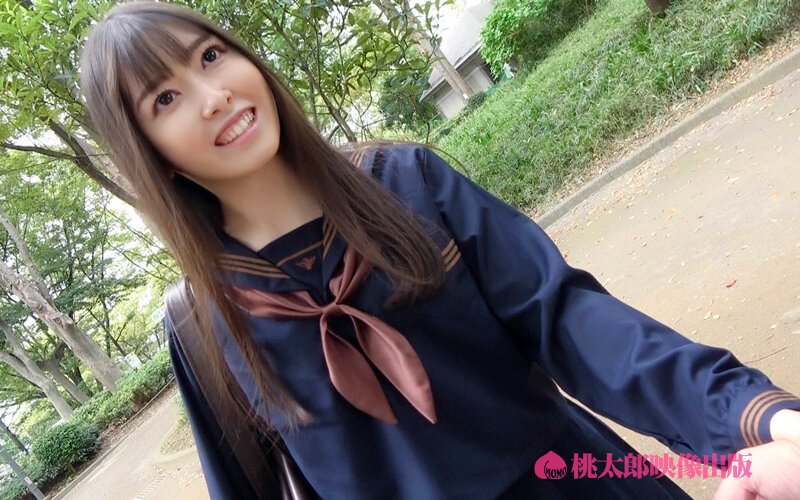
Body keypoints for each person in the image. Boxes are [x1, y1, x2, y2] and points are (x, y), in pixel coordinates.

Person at [78, 2, 800, 499]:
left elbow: (574, 324)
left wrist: (754, 418)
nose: (212, 96)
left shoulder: (406, 185)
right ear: (149, 153)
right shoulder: (204, 324)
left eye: (211, 56)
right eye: (165, 99)